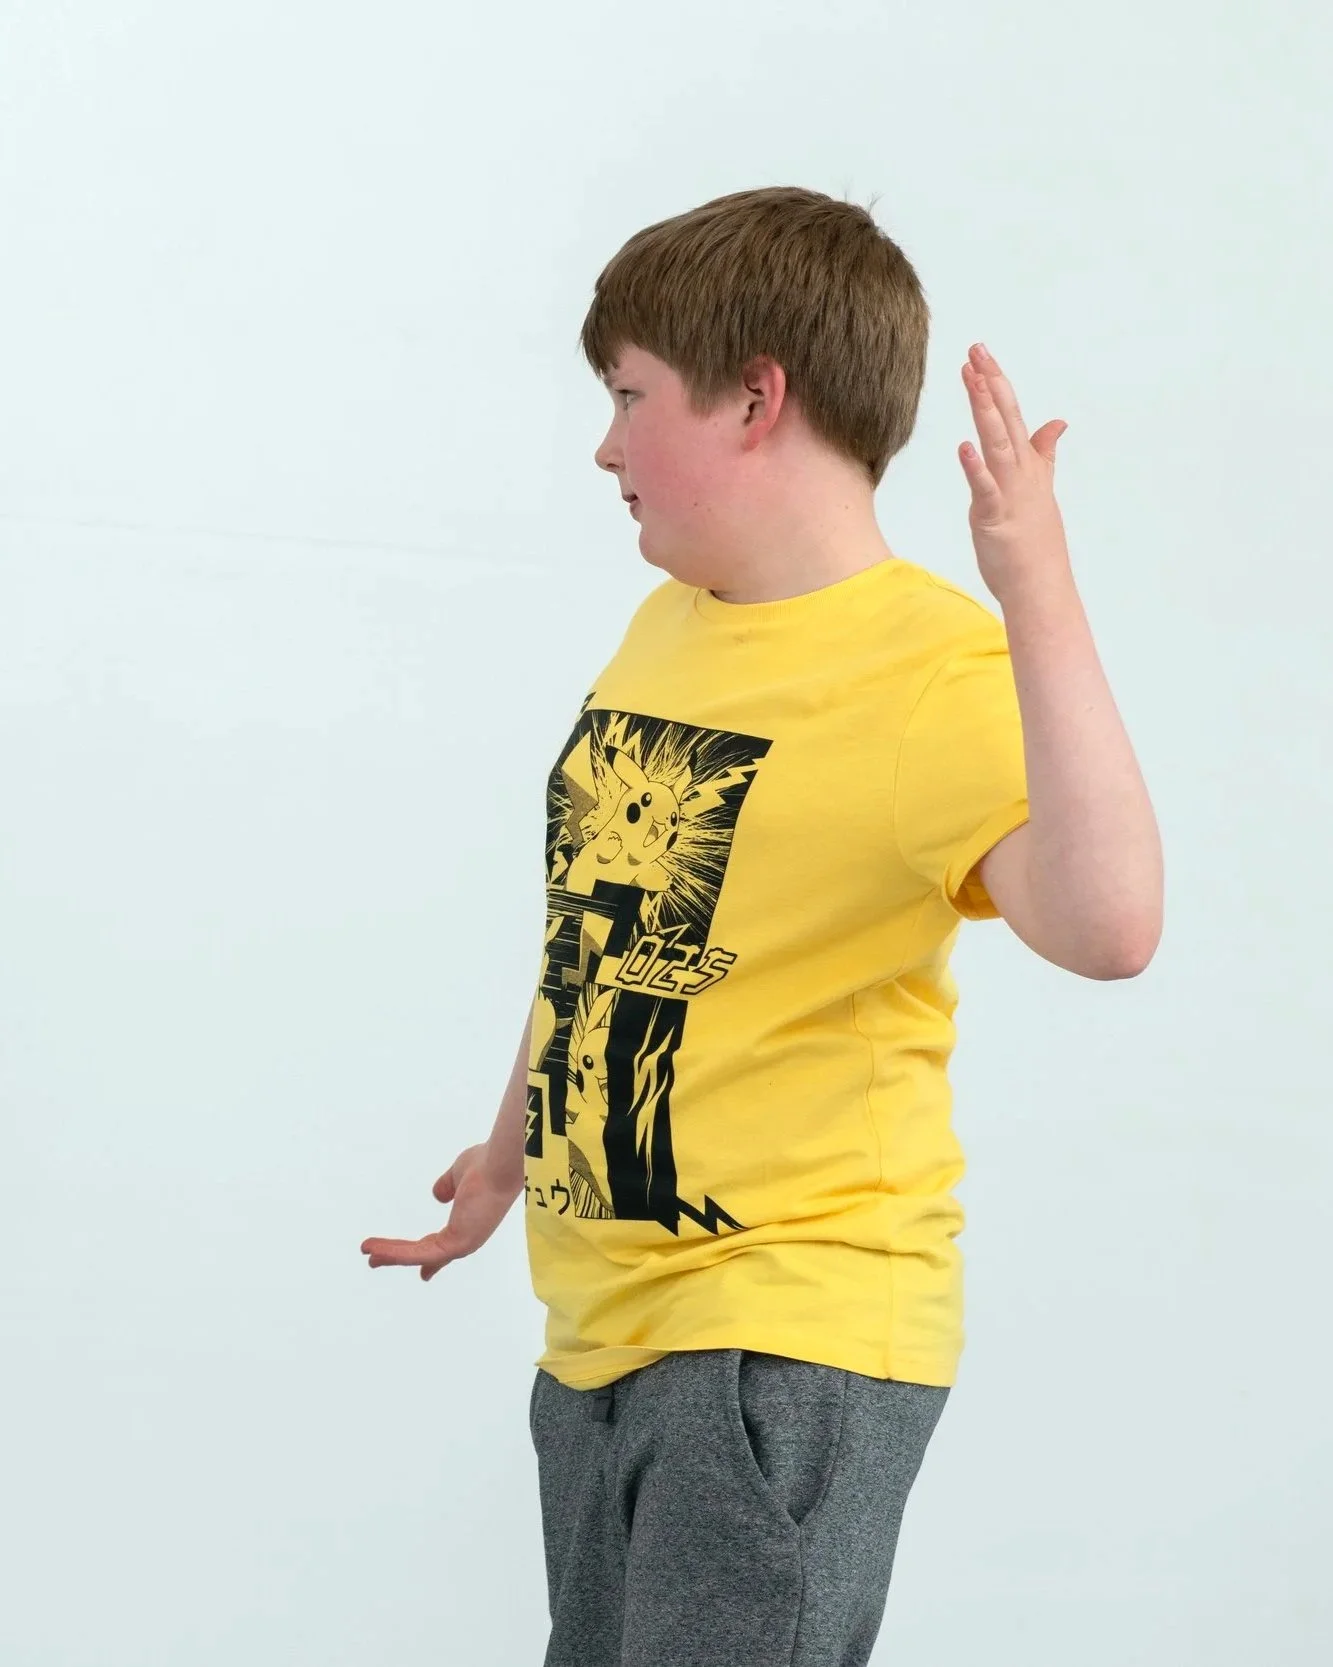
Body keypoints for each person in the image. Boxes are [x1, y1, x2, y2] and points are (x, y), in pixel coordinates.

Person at [360, 185, 1163, 1666]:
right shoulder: (674, 624)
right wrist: (509, 1153)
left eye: (628, 396)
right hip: (606, 1332)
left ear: (754, 400)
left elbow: (1112, 926)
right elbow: (605, 924)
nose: (604, 445)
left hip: (780, 1338)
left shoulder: (930, 668)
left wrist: (1036, 590)